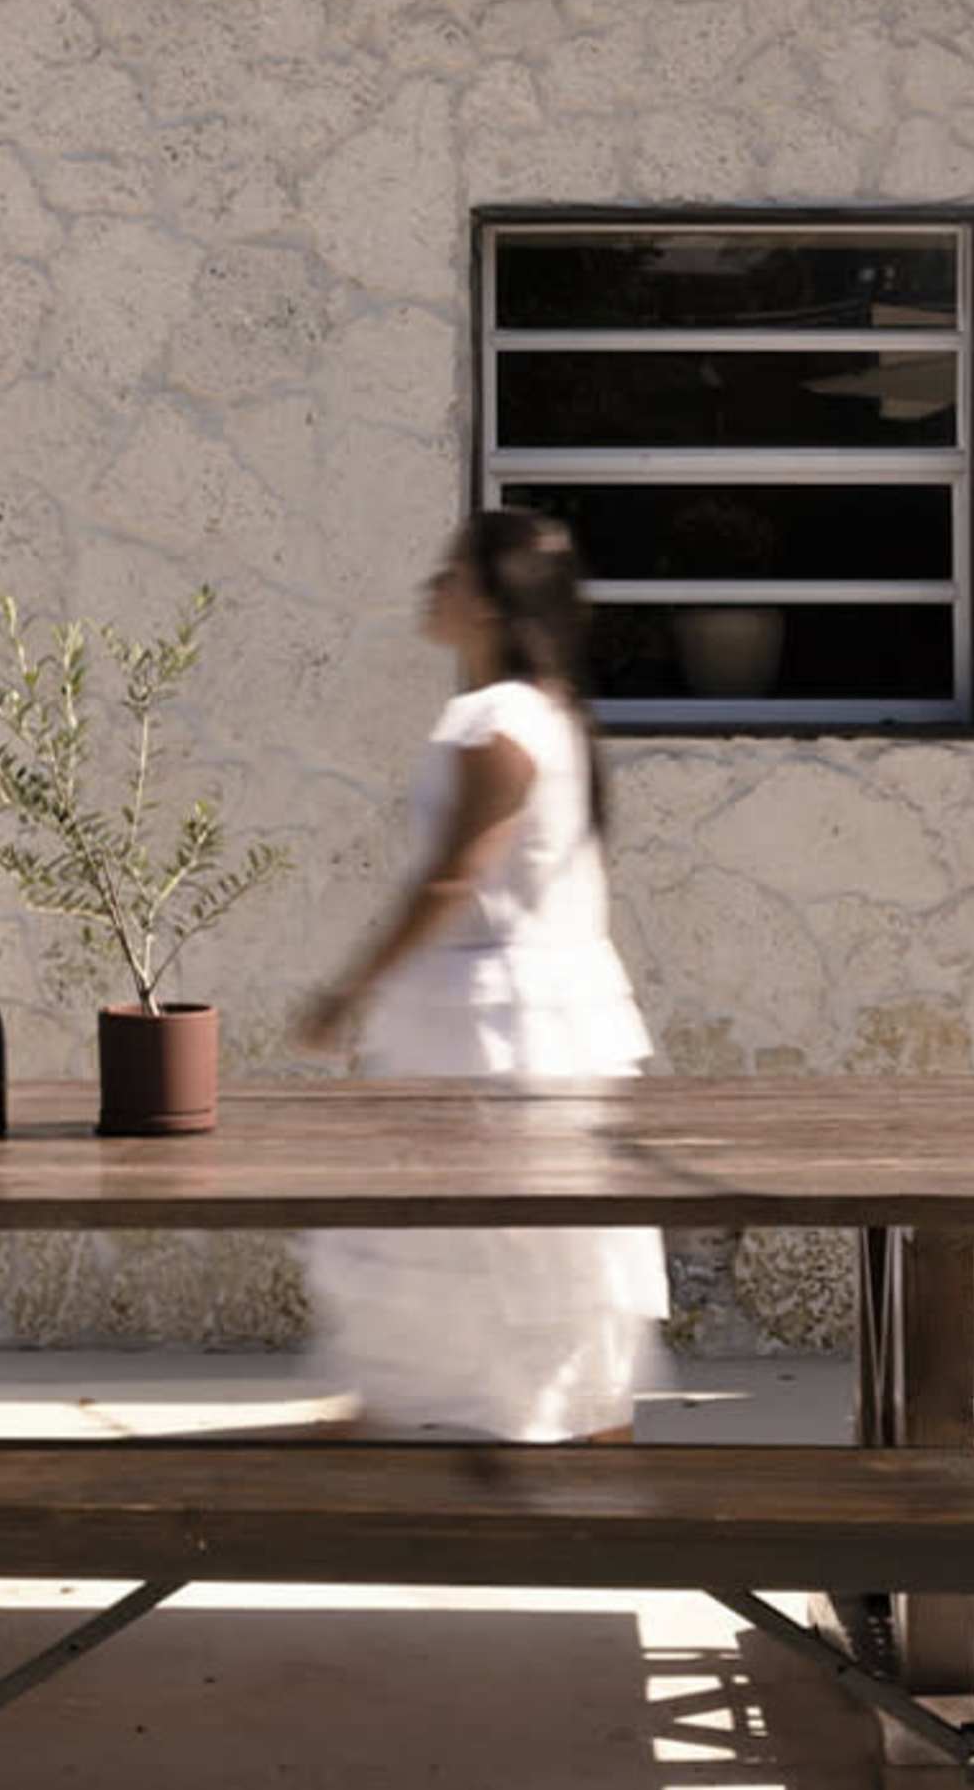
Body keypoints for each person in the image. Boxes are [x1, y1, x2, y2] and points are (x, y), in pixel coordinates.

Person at [292, 509, 667, 1443]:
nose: (435, 586)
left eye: (453, 573)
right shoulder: (549, 716)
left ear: (496, 604)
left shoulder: (497, 722)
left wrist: (348, 990)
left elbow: (455, 873)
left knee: (482, 1235)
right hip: (527, 1015)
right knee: (518, 1244)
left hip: (492, 1030)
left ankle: (526, 1425)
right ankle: (550, 1418)